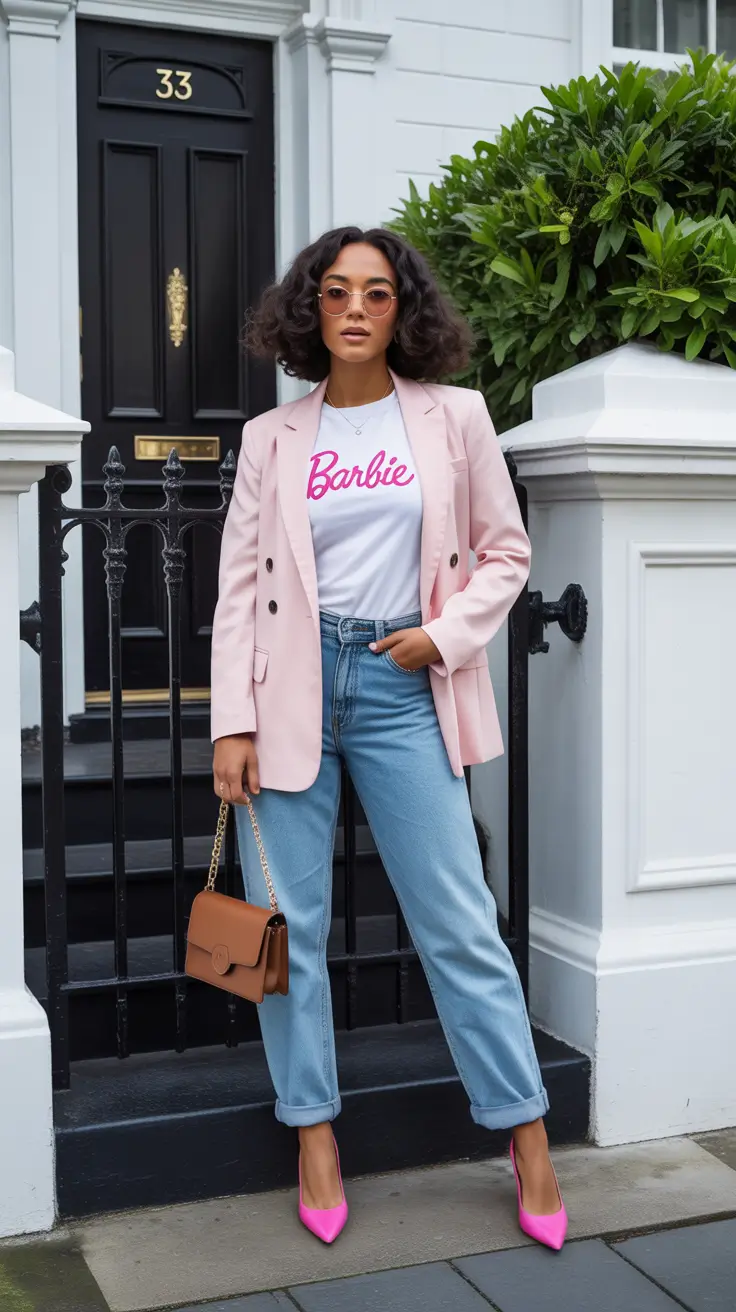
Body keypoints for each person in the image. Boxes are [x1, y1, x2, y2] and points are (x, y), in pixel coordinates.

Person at [210, 226, 567, 1251]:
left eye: (376, 292)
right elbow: (238, 587)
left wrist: (443, 637)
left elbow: (506, 552)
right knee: (284, 930)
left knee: (458, 920)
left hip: (403, 682)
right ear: (309, 310)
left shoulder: (456, 417)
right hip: (290, 688)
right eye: (336, 292)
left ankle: (525, 1133)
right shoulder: (272, 437)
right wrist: (231, 722)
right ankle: (313, 1133)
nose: (356, 309)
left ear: (402, 308)